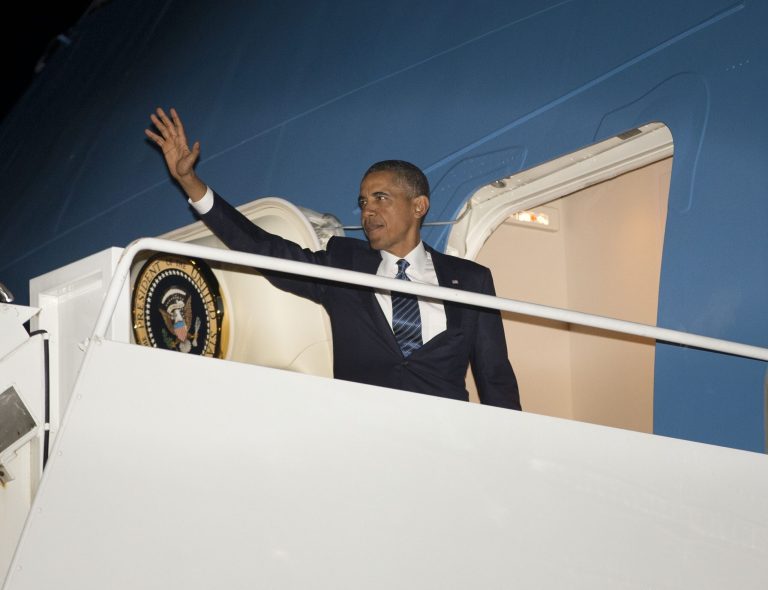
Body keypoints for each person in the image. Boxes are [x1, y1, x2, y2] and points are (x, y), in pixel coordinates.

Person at [146, 107, 521, 410]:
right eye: (363, 201)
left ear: (419, 205)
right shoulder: (345, 264)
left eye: (380, 198)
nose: (367, 211)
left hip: (446, 444)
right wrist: (191, 183)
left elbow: (495, 375)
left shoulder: (470, 279)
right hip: (358, 439)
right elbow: (264, 248)